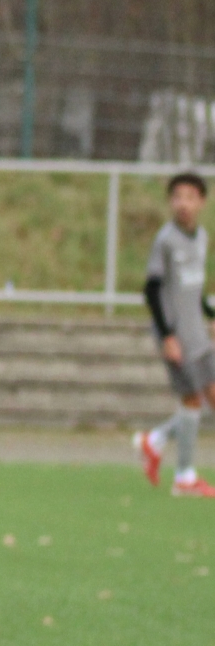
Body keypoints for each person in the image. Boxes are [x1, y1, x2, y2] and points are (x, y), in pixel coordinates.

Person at [133, 172, 215, 498]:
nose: (183, 203)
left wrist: (211, 314)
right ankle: (184, 477)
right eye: (177, 197)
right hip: (177, 336)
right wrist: (168, 336)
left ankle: (154, 440)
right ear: (170, 202)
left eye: (190, 197)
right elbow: (151, 290)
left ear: (202, 202)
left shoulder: (202, 237)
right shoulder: (165, 240)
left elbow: (194, 289)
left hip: (199, 335)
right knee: (192, 400)